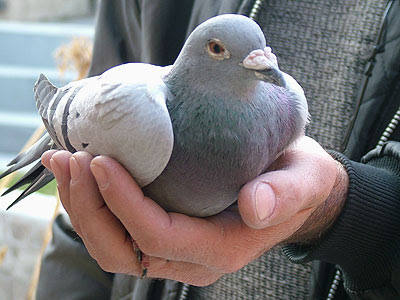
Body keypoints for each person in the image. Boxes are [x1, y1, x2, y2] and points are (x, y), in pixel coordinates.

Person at [35, 1, 400, 299]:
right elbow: (80, 218)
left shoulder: (286, 104)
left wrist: (350, 212)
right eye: (217, 49)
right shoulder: (148, 116)